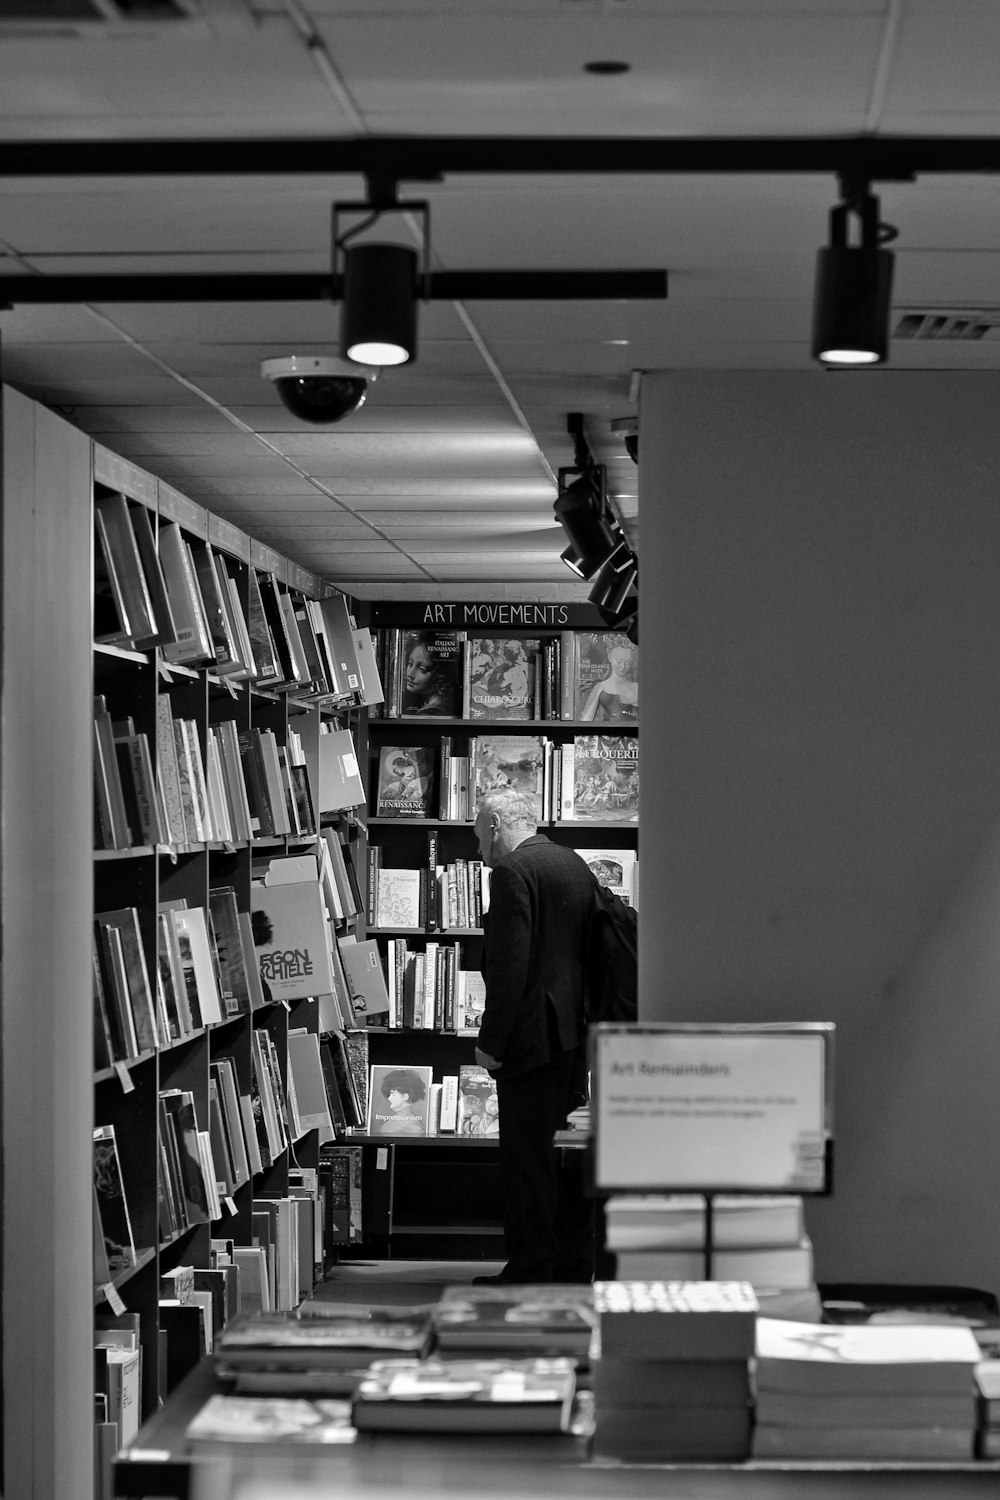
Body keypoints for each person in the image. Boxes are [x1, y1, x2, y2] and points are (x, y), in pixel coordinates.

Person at [472, 788, 598, 1284]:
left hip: (530, 1041)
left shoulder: (512, 873)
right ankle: (571, 1262)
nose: (480, 851)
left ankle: (529, 1268)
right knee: (565, 1153)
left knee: (527, 1158)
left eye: (481, 836)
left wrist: (491, 1042)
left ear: (498, 823)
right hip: (573, 1035)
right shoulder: (572, 863)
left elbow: (510, 967)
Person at [401, 630, 458, 715]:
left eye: (422, 668)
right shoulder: (424, 704)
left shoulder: (431, 713)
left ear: (439, 674)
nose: (410, 674)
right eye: (410, 663)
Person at [580, 640, 638, 722]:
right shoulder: (600, 687)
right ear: (610, 657)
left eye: (627, 662)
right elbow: (585, 720)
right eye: (619, 661)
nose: (623, 666)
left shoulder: (637, 688)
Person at [373, 1068, 427, 1136]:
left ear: (405, 1097)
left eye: (393, 1094)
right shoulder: (392, 1120)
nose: (389, 1098)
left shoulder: (414, 1127)